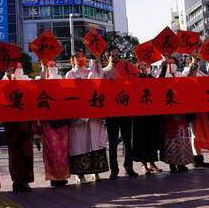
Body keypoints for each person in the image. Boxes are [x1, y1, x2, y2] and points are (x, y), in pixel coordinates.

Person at [66, 50, 109, 184]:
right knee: (80, 143)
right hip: (79, 116)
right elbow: (70, 94)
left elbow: (100, 81)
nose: (80, 59)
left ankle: (95, 172)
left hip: (94, 114)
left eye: (83, 56)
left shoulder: (91, 71)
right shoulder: (70, 74)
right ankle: (80, 174)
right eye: (77, 57)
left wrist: (97, 62)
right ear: (72, 60)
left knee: (95, 142)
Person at [102, 46, 138, 179]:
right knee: (112, 141)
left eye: (118, 54)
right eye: (113, 54)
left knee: (128, 140)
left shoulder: (127, 69)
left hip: (126, 109)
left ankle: (129, 167)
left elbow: (135, 84)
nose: (116, 56)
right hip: (111, 111)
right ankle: (114, 169)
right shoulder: (104, 72)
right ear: (107, 57)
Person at [2, 64, 34, 193]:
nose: (18, 68)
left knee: (27, 152)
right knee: (15, 153)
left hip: (26, 122)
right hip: (12, 124)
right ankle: (16, 180)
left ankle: (25, 180)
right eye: (16, 67)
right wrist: (10, 80)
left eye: (20, 66)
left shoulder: (27, 80)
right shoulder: (4, 80)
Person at [37, 61, 70, 187]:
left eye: (54, 65)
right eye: (50, 66)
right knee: (52, 150)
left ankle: (62, 176)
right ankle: (54, 177)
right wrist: (44, 69)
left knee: (62, 150)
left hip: (62, 121)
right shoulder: (43, 81)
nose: (53, 68)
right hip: (49, 122)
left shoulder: (63, 81)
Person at [159, 56, 193, 173]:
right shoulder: (162, 73)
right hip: (168, 111)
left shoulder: (179, 75)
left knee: (182, 135)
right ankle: (172, 163)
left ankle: (182, 162)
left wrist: (195, 63)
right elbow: (158, 82)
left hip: (180, 109)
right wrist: (163, 67)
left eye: (173, 62)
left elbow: (190, 80)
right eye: (169, 62)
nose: (171, 64)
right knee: (170, 136)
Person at [131, 62, 164, 174]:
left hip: (151, 114)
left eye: (146, 66)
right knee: (141, 140)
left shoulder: (151, 78)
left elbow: (161, 81)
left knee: (151, 139)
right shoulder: (135, 79)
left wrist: (163, 66)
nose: (144, 68)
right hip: (139, 115)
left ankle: (152, 163)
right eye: (141, 67)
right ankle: (143, 164)